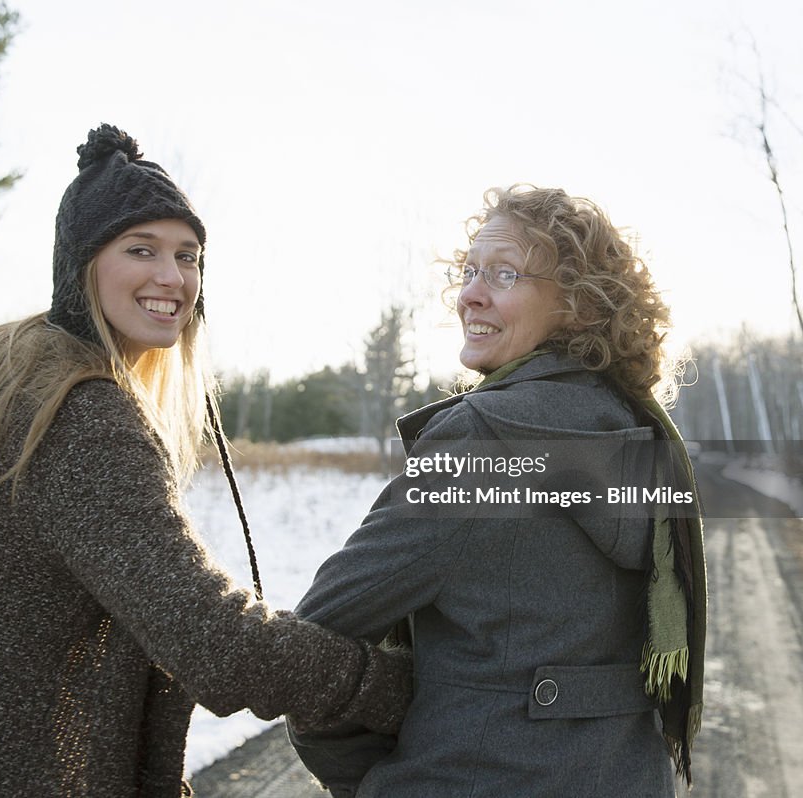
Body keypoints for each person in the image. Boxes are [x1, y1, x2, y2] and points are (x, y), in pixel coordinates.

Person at [0, 125, 411, 798]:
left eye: (189, 256)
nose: (173, 278)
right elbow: (214, 642)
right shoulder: (78, 413)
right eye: (142, 250)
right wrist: (394, 686)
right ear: (83, 265)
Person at [289, 185, 706, 797]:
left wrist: (373, 778)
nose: (470, 294)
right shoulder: (644, 434)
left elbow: (314, 637)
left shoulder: (483, 439)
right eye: (469, 271)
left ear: (580, 308)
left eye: (505, 274)